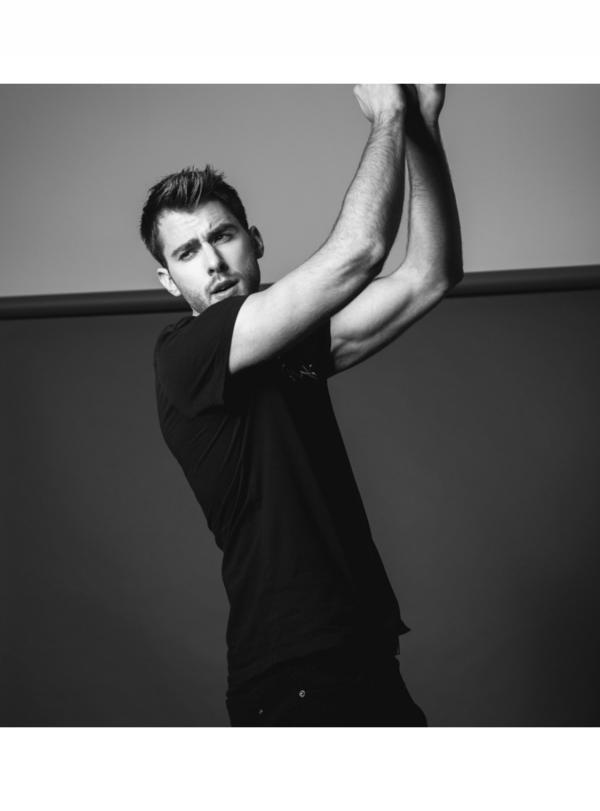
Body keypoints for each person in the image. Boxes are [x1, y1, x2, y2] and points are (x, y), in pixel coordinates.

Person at [140, 84, 462, 726]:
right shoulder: (186, 354)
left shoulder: (291, 344)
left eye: (223, 235)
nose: (213, 262)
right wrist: (388, 113)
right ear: (169, 281)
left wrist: (422, 127)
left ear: (254, 241)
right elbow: (361, 253)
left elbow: (431, 274)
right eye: (187, 252)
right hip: (293, 677)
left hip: (365, 654)